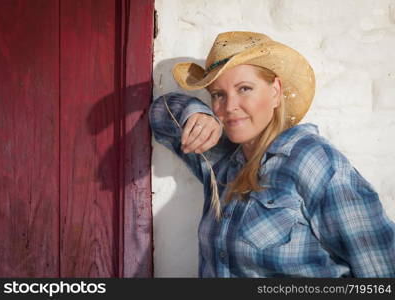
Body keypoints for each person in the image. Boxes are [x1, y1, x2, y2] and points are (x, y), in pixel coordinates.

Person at [149, 31, 395, 277]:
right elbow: (161, 112)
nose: (230, 106)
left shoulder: (313, 160)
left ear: (275, 91)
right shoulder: (222, 161)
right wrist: (197, 114)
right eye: (218, 95)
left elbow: (380, 269)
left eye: (244, 88)